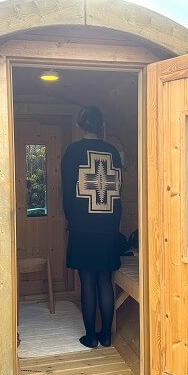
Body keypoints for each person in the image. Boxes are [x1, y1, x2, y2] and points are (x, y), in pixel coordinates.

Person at [61, 106, 123, 349]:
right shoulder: (113, 153)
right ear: (101, 126)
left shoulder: (73, 152)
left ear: (79, 126)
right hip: (108, 228)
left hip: (82, 228)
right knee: (105, 280)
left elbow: (68, 192)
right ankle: (106, 335)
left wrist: (72, 218)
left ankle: (91, 337)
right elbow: (118, 192)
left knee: (87, 281)